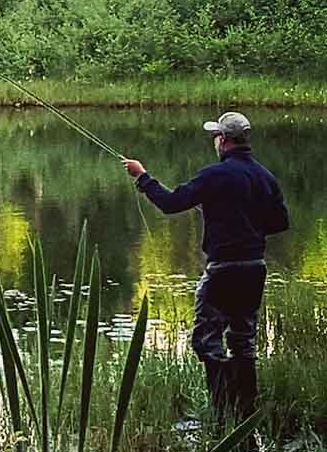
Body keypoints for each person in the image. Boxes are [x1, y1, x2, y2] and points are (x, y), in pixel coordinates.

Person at [122, 112, 289, 423]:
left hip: (223, 269)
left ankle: (222, 411)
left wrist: (142, 176)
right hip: (255, 267)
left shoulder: (215, 175)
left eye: (216, 136)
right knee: (243, 340)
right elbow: (280, 222)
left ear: (223, 141)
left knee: (206, 342)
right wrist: (245, 225)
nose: (216, 141)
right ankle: (245, 414)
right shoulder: (265, 176)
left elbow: (170, 203)